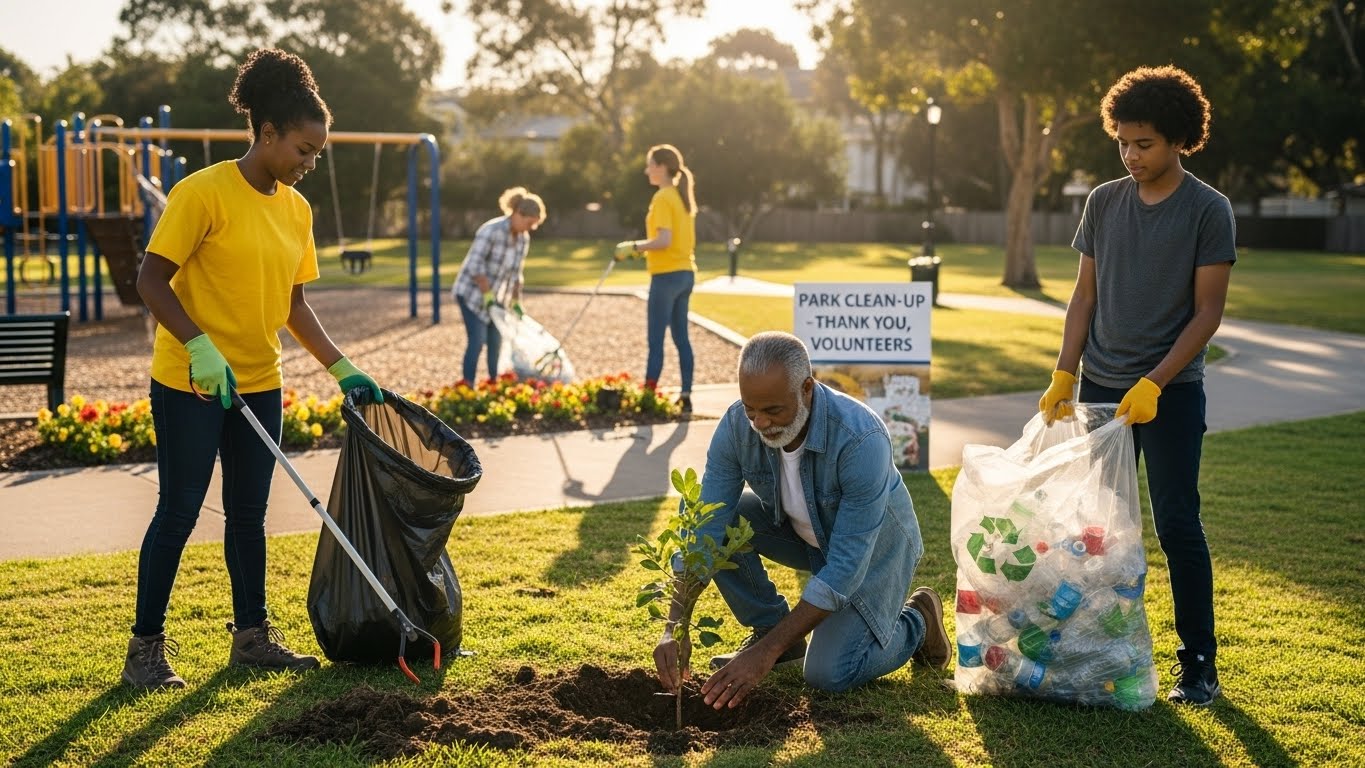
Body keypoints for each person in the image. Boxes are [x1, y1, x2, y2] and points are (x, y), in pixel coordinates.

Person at [124, 48, 384, 690]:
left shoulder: (296, 211)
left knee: (248, 514)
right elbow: (151, 278)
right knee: (180, 509)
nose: (310, 163)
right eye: (302, 149)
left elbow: (294, 302)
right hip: (191, 379)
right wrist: (197, 346)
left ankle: (251, 638)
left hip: (260, 381)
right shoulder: (202, 192)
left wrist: (340, 366)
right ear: (266, 133)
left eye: (317, 152)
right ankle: (145, 650)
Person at [1039, 65, 1235, 707]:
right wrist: (1066, 370)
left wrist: (1155, 381)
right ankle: (1098, 652)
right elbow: (1084, 294)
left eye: (1144, 143)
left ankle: (1198, 663)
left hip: (1170, 395)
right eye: (1122, 141)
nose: (1130, 154)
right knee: (1100, 530)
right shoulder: (1103, 201)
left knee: (1178, 522)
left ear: (1179, 138)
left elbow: (1208, 311)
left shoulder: (1209, 209)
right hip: (1100, 389)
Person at [652, 332, 950, 707]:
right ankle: (773, 630)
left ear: (806, 388)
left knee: (827, 673)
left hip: (875, 552)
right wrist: (675, 625)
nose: (759, 422)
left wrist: (765, 654)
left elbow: (844, 567)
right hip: (802, 535)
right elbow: (706, 522)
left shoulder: (861, 439)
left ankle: (917, 623)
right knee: (702, 513)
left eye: (773, 410)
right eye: (750, 409)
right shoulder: (736, 426)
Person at [615, 144, 697, 413]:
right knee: (681, 338)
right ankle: (685, 395)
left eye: (650, 164)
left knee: (655, 340)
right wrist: (644, 250)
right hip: (685, 273)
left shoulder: (663, 197)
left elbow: (664, 240)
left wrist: (634, 247)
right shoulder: (680, 197)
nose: (646, 170)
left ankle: (648, 397)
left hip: (666, 277)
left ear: (661, 167)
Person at [451, 187, 546, 384]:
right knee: (477, 341)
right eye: (529, 223)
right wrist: (487, 294)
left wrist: (516, 301)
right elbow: (475, 266)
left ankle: (493, 384)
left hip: (497, 299)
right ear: (518, 214)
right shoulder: (491, 230)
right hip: (471, 295)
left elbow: (516, 274)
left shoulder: (522, 239)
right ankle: (467, 386)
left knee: (496, 342)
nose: (530, 228)